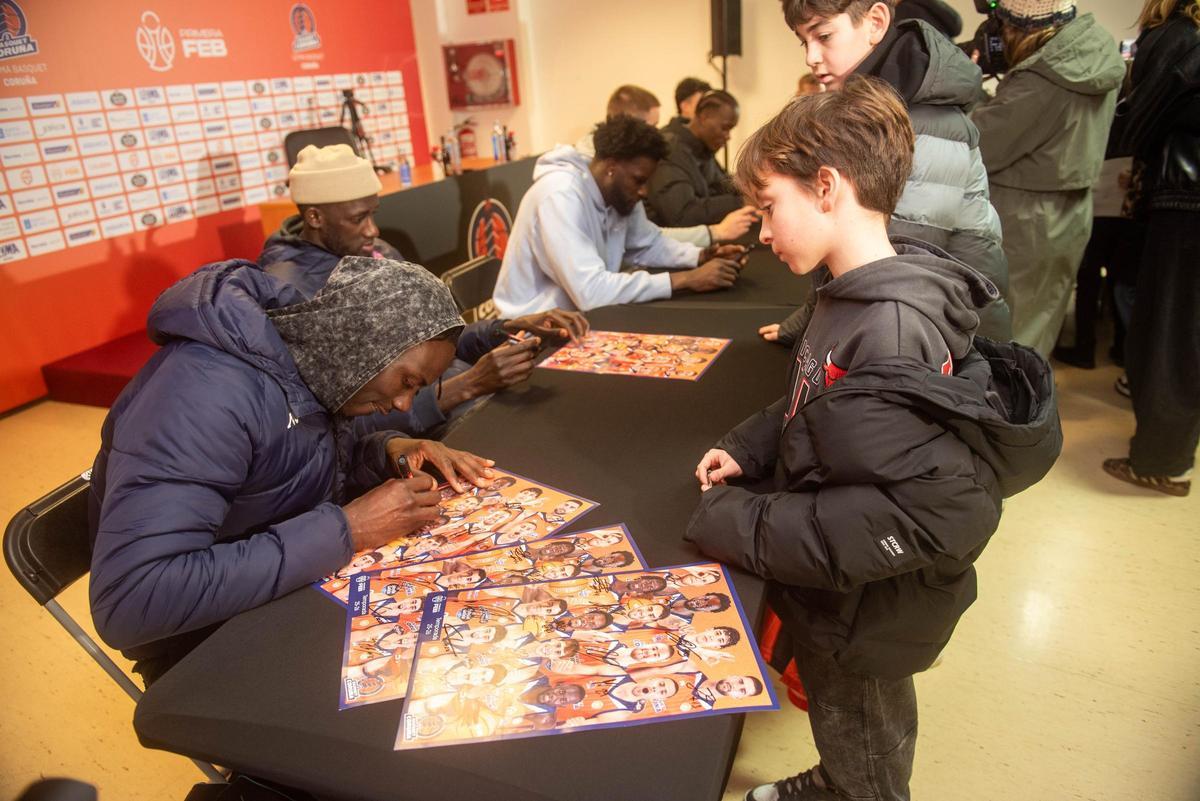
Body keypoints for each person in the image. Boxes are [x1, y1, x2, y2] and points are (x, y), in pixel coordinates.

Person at [685, 78, 1061, 801]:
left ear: (826, 187)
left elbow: (907, 513)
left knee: (861, 724)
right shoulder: (848, 293)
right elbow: (820, 407)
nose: (763, 233)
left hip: (865, 601)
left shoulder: (889, 330)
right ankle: (841, 777)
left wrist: (738, 521)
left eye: (771, 208)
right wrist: (752, 445)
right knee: (849, 719)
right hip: (842, 581)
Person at [88, 256, 497, 684]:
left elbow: (290, 468)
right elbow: (132, 600)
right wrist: (349, 529)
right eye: (407, 382)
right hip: (202, 642)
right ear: (364, 343)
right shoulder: (201, 396)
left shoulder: (315, 359)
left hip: (281, 591)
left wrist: (384, 452)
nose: (403, 405)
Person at [258, 143, 589, 437]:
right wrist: (468, 385)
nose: (372, 230)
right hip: (416, 435)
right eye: (358, 219)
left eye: (372, 214)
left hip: (460, 399)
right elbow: (334, 429)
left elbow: (432, 343)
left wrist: (503, 330)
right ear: (315, 217)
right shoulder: (294, 295)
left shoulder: (376, 252)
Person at [761, 0, 1012, 347]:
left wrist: (817, 330)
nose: (811, 57)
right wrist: (806, 324)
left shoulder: (923, 118)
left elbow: (897, 257)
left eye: (824, 36)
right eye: (805, 42)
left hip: (953, 331)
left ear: (876, 22)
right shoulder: (871, 106)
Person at [971, 0, 1125, 357]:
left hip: (1027, 220)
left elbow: (984, 142)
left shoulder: (1043, 77)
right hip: (1070, 214)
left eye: (1004, 27)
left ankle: (1010, 395)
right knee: (1038, 329)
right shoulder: (1093, 56)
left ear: (1021, 27)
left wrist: (969, 90)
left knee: (1007, 337)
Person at [492, 116, 745, 316]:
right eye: (639, 180)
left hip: (579, 317)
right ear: (611, 167)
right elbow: (591, 292)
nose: (644, 191)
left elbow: (647, 244)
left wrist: (699, 256)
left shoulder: (618, 191)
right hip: (529, 332)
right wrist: (685, 279)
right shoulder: (560, 195)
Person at [1102, 0, 1200, 497]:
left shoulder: (1179, 35)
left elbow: (1136, 123)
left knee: (1167, 334)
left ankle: (1161, 463)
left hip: (1186, 202)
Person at [576, 85, 760, 246]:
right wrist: (717, 230)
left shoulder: (701, 149)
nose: (655, 134)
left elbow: (642, 241)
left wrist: (751, 187)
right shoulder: (570, 189)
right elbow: (679, 217)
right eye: (650, 126)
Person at [646, 90, 747, 228]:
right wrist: (742, 202)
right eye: (725, 128)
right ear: (704, 117)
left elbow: (722, 185)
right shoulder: (669, 150)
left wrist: (751, 188)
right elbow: (683, 215)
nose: (728, 136)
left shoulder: (702, 147)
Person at [893, 0, 961, 39]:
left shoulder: (904, 9)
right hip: (949, 52)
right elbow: (956, 26)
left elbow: (956, 25)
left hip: (943, 51)